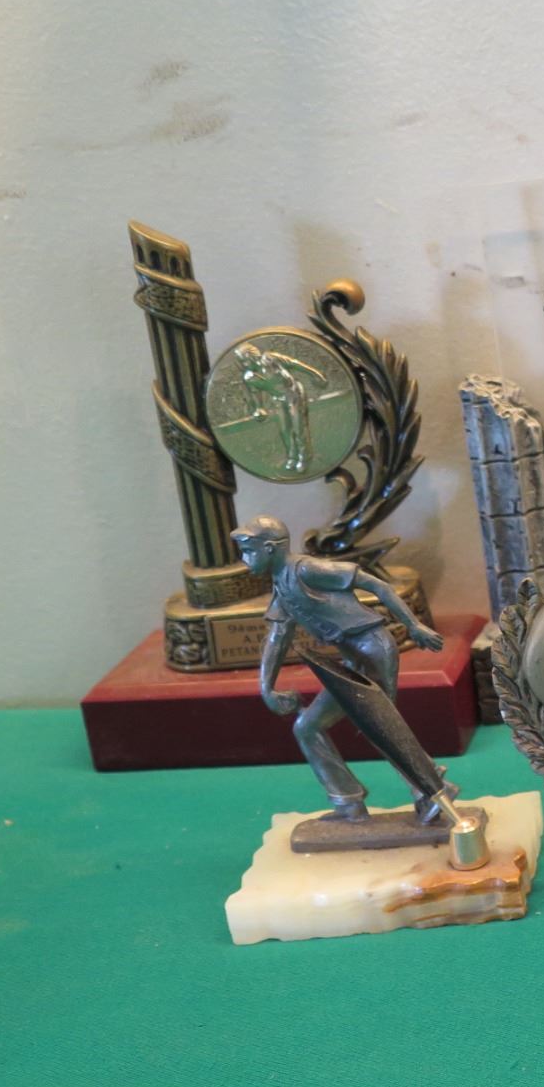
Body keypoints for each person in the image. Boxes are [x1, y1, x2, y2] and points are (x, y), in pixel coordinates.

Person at [231, 516, 448, 822]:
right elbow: (278, 636)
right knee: (308, 727)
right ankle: (349, 804)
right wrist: (266, 687)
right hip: (353, 659)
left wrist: (413, 625)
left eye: (248, 551)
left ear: (269, 548)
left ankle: (432, 790)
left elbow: (376, 584)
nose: (244, 560)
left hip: (372, 648)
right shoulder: (281, 585)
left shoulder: (307, 569)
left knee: (379, 725)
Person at [234, 343, 325, 474]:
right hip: (277, 399)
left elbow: (294, 364)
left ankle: (304, 457)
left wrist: (315, 374)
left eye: (244, 360)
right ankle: (292, 456)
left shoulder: (270, 358)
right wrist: (259, 408)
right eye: (241, 362)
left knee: (298, 427)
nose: (244, 365)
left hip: (293, 393)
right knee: (285, 430)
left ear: (251, 356)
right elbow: (255, 393)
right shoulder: (249, 377)